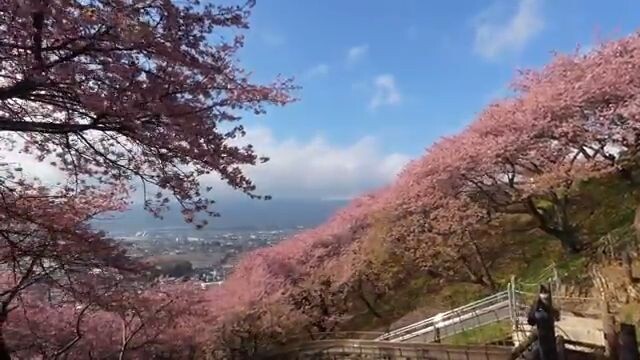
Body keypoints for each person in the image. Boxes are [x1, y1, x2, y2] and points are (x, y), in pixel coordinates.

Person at [527, 285, 560, 360]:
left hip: (547, 336)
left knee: (548, 353)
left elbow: (531, 321)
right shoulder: (538, 308)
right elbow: (531, 321)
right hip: (544, 336)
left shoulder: (548, 308)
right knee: (546, 354)